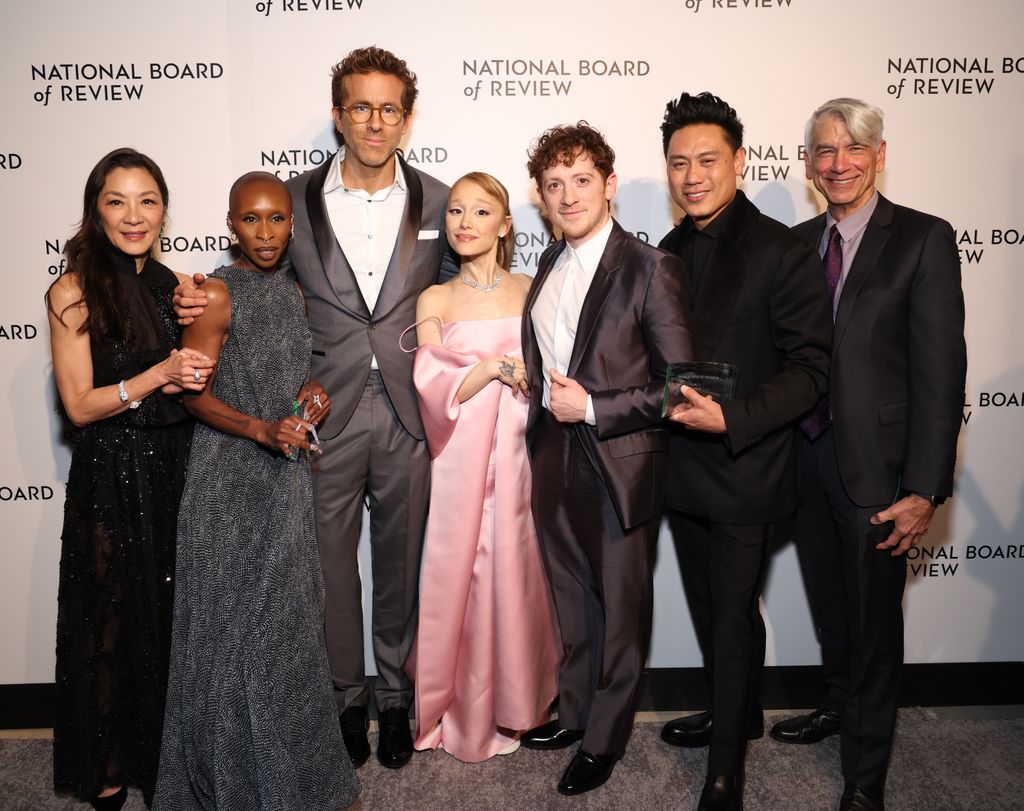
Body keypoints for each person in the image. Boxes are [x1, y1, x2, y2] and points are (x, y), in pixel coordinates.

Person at [173, 46, 457, 770]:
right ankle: (344, 700)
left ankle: (395, 697)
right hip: (319, 411)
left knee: (400, 562)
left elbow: (465, 286)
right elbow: (256, 281)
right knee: (329, 566)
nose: (374, 120)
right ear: (338, 114)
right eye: (360, 106)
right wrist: (189, 298)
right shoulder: (290, 201)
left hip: (406, 410)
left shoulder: (437, 196)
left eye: (389, 107)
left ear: (406, 117)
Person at [769, 99, 967, 811]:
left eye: (853, 148)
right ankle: (836, 705)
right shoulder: (793, 244)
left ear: (879, 155)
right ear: (808, 165)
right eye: (824, 151)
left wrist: (925, 487)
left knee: (875, 626)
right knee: (830, 606)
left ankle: (865, 776)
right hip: (802, 459)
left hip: (879, 473)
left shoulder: (923, 239)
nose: (838, 162)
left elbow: (941, 376)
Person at [153, 172, 360, 809]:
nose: (265, 233)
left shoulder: (296, 293)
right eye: (251, 220)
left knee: (286, 634)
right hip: (229, 481)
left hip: (287, 479)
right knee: (230, 640)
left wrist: (311, 400)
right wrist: (262, 430)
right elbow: (194, 398)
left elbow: (293, 380)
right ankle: (234, 788)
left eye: (276, 220)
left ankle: (292, 784)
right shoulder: (216, 294)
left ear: (290, 224)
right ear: (230, 223)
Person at [655, 93, 833, 811]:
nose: (692, 176)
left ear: (738, 161)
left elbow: (812, 370)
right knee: (708, 608)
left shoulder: (780, 250)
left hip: (744, 466)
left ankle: (727, 769)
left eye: (707, 160)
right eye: (678, 163)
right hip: (680, 468)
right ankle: (737, 712)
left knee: (732, 616)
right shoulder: (665, 251)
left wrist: (731, 417)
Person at [518, 123, 694, 796]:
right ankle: (574, 710)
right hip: (552, 455)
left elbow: (683, 384)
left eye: (581, 180)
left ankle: (605, 737)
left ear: (610, 183)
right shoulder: (549, 264)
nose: (568, 196)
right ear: (541, 195)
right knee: (571, 597)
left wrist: (592, 407)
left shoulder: (650, 268)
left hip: (618, 458)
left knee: (620, 608)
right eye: (554, 185)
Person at [46, 147, 214, 810]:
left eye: (147, 200)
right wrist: (158, 374)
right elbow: (80, 404)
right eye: (117, 201)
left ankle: (160, 764)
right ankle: (110, 770)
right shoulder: (72, 291)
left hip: (174, 468)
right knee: (109, 623)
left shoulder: (171, 284)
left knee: (168, 622)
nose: (133, 215)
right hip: (110, 474)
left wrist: (198, 328)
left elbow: (196, 379)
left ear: (164, 209)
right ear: (96, 209)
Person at [407, 172, 560, 762]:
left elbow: (558, 361)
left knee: (516, 572)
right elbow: (430, 381)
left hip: (522, 449)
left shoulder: (531, 288)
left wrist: (529, 375)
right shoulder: (435, 298)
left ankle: (521, 706)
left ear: (504, 224)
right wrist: (495, 367)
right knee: (459, 577)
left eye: (480, 211)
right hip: (460, 457)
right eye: (455, 213)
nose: (465, 222)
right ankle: (457, 709)